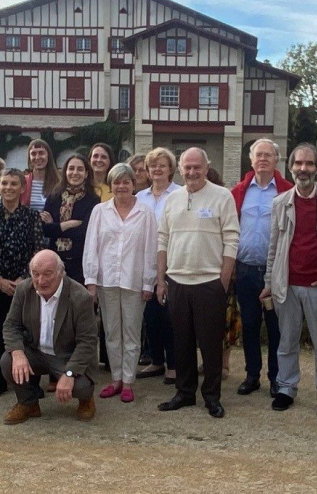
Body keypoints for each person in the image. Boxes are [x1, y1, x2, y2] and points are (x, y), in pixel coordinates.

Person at [155, 147, 239, 419]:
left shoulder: (222, 196)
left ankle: (212, 397)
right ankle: (185, 392)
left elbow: (232, 239)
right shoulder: (172, 199)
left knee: (211, 344)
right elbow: (162, 240)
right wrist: (161, 278)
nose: (192, 172)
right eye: (187, 167)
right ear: (180, 169)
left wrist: (223, 280)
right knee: (182, 341)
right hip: (177, 280)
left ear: (206, 167)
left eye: (197, 167)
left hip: (209, 282)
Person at [261, 143, 317, 415]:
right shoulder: (280, 203)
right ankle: (286, 388)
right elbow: (273, 246)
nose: (303, 169)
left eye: (309, 164)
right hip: (286, 283)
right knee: (287, 341)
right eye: (298, 163)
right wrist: (268, 283)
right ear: (290, 167)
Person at [82, 163, 157, 403]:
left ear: (134, 185)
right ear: (111, 185)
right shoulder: (100, 211)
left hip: (134, 281)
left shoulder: (145, 213)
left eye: (126, 182)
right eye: (116, 182)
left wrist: (148, 282)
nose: (121, 186)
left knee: (132, 333)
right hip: (107, 281)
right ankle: (115, 379)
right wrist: (91, 281)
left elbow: (150, 250)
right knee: (112, 332)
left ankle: (129, 381)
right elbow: (91, 247)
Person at [1, 250, 99, 424]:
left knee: (81, 387)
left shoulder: (80, 297)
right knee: (8, 361)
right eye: (36, 274)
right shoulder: (24, 289)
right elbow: (11, 325)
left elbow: (87, 342)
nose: (41, 280)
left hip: (67, 356)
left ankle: (86, 400)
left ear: (61, 273)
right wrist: (18, 353)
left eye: (48, 274)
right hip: (36, 352)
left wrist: (69, 373)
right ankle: (28, 403)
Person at [0, 168, 46, 399]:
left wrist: (23, 279)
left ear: (22, 187)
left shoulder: (31, 217)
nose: (8, 188)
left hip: (24, 286)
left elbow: (38, 251)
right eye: (4, 183)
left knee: (28, 334)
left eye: (14, 184)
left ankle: (30, 382)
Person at [230, 138, 290, 395]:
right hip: (245, 269)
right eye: (258, 155)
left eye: (268, 154)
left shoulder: (287, 191)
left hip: (275, 271)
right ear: (251, 160)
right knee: (251, 325)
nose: (263, 158)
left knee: (276, 328)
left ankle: (276, 378)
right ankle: (252, 374)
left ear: (276, 160)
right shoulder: (239, 191)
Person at [135, 147, 180, 383]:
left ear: (171, 169)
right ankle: (156, 361)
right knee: (151, 316)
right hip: (145, 263)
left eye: (162, 165)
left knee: (170, 316)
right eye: (153, 166)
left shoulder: (180, 194)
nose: (157, 169)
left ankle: (173, 364)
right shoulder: (140, 197)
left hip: (172, 262)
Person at [42, 154, 100, 284]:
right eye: (71, 168)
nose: (75, 172)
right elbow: (44, 230)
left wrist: (55, 226)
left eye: (80, 169)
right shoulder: (53, 197)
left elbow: (84, 232)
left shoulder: (93, 200)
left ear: (86, 174)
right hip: (54, 259)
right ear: (65, 172)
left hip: (79, 262)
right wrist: (67, 224)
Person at [22, 138, 59, 211]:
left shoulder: (58, 183)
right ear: (29, 158)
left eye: (41, 153)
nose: (37, 157)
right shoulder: (23, 182)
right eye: (33, 154)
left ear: (48, 155)